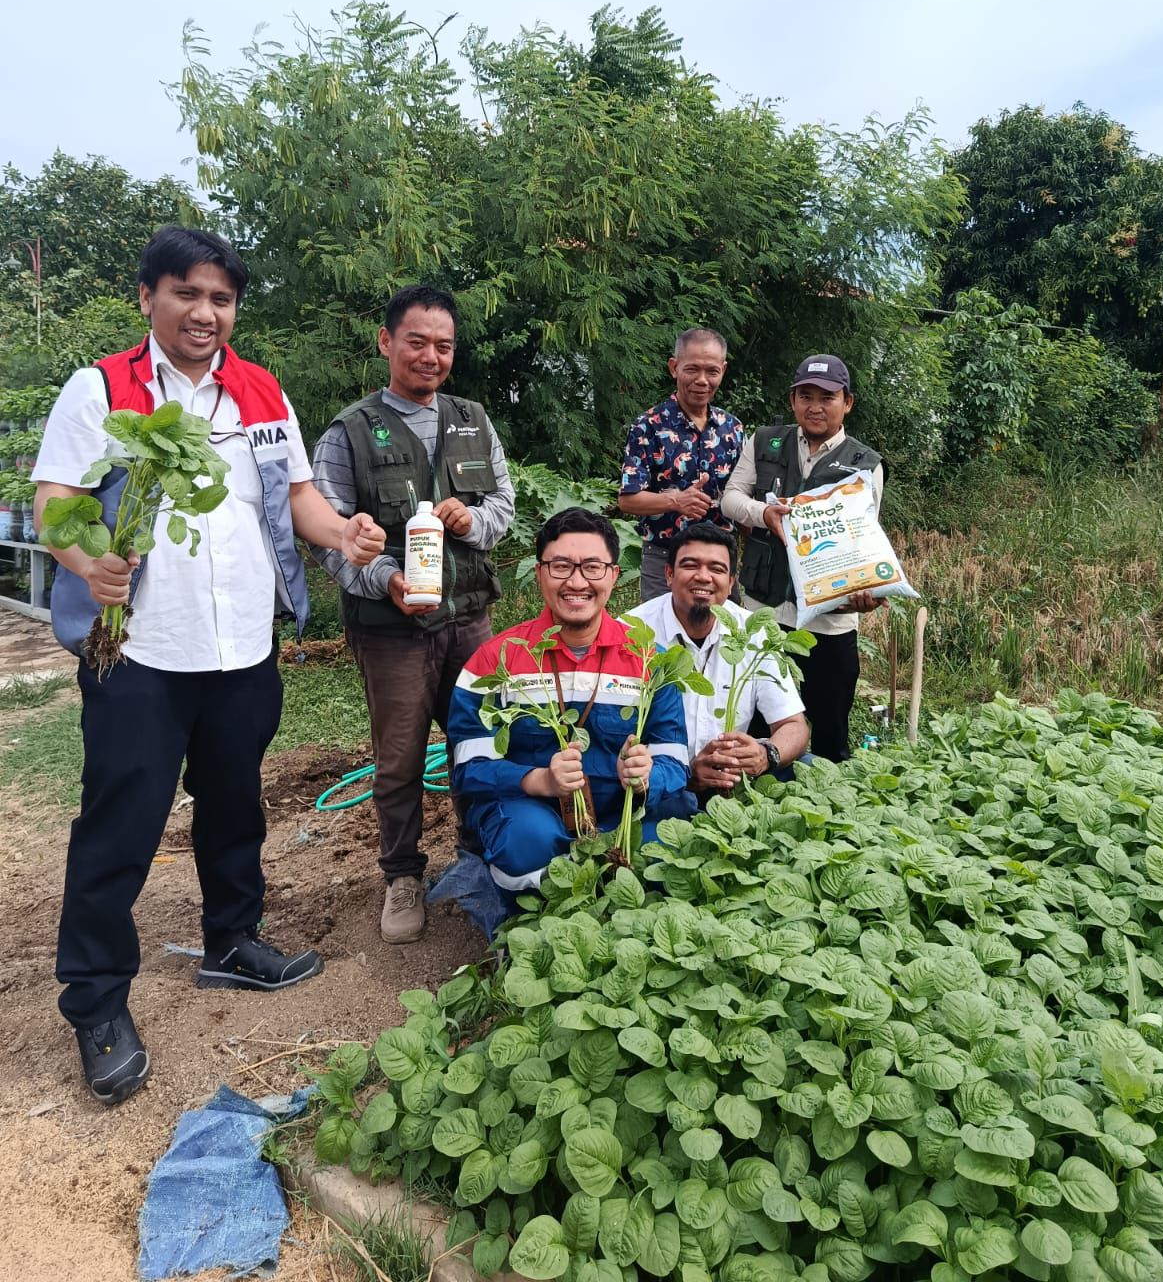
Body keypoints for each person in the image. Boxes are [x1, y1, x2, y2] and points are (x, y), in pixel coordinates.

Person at [33, 225, 386, 1107]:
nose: (204, 312)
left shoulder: (259, 390)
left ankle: (232, 941)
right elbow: (54, 502)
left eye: (220, 299)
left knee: (234, 809)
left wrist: (342, 532)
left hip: (242, 650)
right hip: (141, 653)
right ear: (147, 297)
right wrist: (88, 563)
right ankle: (96, 1001)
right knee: (121, 826)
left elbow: (296, 495)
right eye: (186, 293)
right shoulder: (103, 388)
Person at [310, 284, 514, 946]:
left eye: (443, 346)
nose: (431, 356)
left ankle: (479, 856)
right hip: (392, 629)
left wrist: (472, 519)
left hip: (469, 619)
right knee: (398, 759)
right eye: (417, 342)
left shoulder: (472, 419)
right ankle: (401, 874)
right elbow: (325, 534)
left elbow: (504, 506)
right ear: (387, 342)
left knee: (478, 743)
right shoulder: (349, 432)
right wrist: (383, 579)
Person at [446, 508, 690, 895]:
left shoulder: (649, 660)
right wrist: (539, 779)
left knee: (672, 839)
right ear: (540, 573)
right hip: (534, 810)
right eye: (560, 566)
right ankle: (544, 909)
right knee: (526, 840)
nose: (576, 582)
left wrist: (648, 775)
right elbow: (469, 768)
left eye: (592, 567)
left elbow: (674, 758)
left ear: (613, 575)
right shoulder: (495, 660)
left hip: (623, 810)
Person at [721, 354, 883, 762]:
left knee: (829, 728)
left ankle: (828, 792)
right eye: (806, 396)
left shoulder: (866, 463)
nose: (815, 406)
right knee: (755, 724)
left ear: (847, 403)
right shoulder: (764, 441)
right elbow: (731, 498)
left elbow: (863, 541)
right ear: (793, 400)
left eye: (827, 397)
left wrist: (866, 590)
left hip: (829, 622)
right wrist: (763, 514)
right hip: (762, 611)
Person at [625, 522, 809, 794]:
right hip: (658, 782)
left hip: (731, 778)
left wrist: (765, 754)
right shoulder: (632, 632)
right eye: (690, 565)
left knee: (806, 765)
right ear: (669, 574)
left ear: (731, 582)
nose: (703, 577)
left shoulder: (753, 632)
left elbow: (794, 726)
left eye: (717, 569)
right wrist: (684, 774)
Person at [618, 328, 744, 601]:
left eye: (712, 371)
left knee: (725, 628)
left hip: (719, 559)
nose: (702, 380)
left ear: (723, 370)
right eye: (692, 369)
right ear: (674, 368)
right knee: (659, 628)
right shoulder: (648, 426)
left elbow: (743, 494)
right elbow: (628, 500)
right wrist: (675, 501)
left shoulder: (732, 428)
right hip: (665, 557)